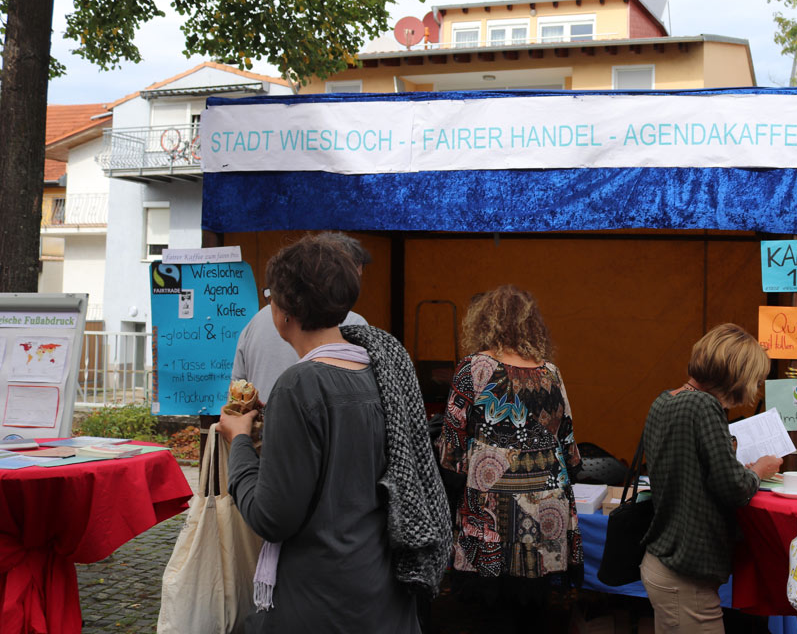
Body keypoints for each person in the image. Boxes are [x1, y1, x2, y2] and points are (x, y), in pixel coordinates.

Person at [218, 235, 450, 633]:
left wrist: (238, 440)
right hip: (383, 596)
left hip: (321, 602)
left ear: (283, 311)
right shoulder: (383, 370)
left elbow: (271, 518)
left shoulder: (298, 386)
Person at [436, 285, 581, 634]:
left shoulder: (474, 368)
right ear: (532, 325)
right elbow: (569, 447)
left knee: (491, 616)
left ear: (483, 322)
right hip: (546, 511)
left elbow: (450, 449)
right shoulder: (551, 372)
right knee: (536, 614)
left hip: (491, 513)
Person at [638, 323, 782, 634]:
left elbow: (692, 470)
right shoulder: (704, 405)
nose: (755, 386)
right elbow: (734, 488)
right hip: (684, 577)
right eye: (755, 378)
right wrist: (759, 470)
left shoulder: (665, 400)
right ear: (737, 374)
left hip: (662, 564)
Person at [230, 231, 370, 404]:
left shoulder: (255, 322)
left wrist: (242, 421)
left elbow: (236, 393)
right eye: (350, 279)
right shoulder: (355, 324)